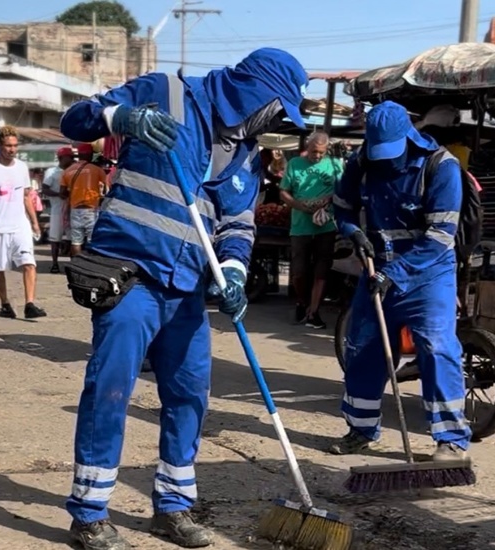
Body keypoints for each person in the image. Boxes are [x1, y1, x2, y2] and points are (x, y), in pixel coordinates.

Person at [58, 47, 308, 550]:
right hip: (130, 276)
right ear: (254, 92)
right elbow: (74, 121)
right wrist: (119, 115)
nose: (277, 121)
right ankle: (89, 514)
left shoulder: (245, 154)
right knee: (110, 389)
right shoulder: (164, 94)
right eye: (277, 108)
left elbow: (238, 225)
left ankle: (172, 507)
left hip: (187, 289)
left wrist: (233, 273)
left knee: (190, 395)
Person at [328, 101, 472, 460]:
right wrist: (351, 231)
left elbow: (440, 237)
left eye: (389, 153)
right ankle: (360, 429)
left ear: (408, 138)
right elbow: (342, 206)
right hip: (377, 267)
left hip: (428, 275)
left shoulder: (441, 167)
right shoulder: (360, 163)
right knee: (362, 348)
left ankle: (451, 441)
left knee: (437, 348)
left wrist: (395, 274)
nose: (384, 161)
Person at [0, 125, 46, 320]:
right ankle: (5, 304)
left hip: (19, 224)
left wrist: (34, 222)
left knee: (29, 263)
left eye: (15, 146)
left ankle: (30, 304)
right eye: (8, 146)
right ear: (0, 146)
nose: (12, 149)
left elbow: (26, 197)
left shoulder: (21, 167)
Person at [279, 131, 342, 329]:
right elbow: (283, 192)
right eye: (314, 152)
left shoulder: (335, 165)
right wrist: (300, 205)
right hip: (300, 226)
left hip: (326, 226)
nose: (317, 156)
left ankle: (314, 312)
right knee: (299, 272)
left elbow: (342, 190)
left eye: (321, 153)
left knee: (322, 270)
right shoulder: (296, 164)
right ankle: (303, 303)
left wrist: (328, 198)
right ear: (308, 147)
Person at [60, 143, 107, 256]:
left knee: (76, 241)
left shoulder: (67, 171)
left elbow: (62, 193)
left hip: (75, 210)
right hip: (91, 210)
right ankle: (90, 266)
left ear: (79, 155)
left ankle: (76, 264)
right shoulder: (97, 170)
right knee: (92, 240)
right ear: (90, 155)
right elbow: (106, 189)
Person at [44, 147, 75, 273]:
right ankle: (55, 263)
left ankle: (73, 265)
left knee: (73, 238)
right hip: (57, 209)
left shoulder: (75, 170)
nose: (72, 159)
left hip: (72, 208)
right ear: (61, 158)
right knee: (55, 238)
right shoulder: (52, 171)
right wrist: (58, 194)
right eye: (70, 157)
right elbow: (45, 189)